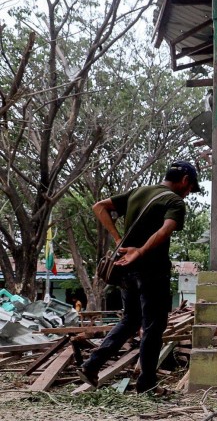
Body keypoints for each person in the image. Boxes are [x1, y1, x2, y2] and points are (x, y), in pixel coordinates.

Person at [77, 162, 202, 394]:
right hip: (152, 271)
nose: (188, 193)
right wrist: (140, 251)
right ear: (185, 180)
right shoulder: (175, 201)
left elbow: (99, 207)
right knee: (153, 327)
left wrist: (118, 240)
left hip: (126, 270)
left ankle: (91, 365)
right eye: (190, 188)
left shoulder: (139, 192)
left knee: (131, 320)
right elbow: (165, 231)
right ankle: (147, 384)